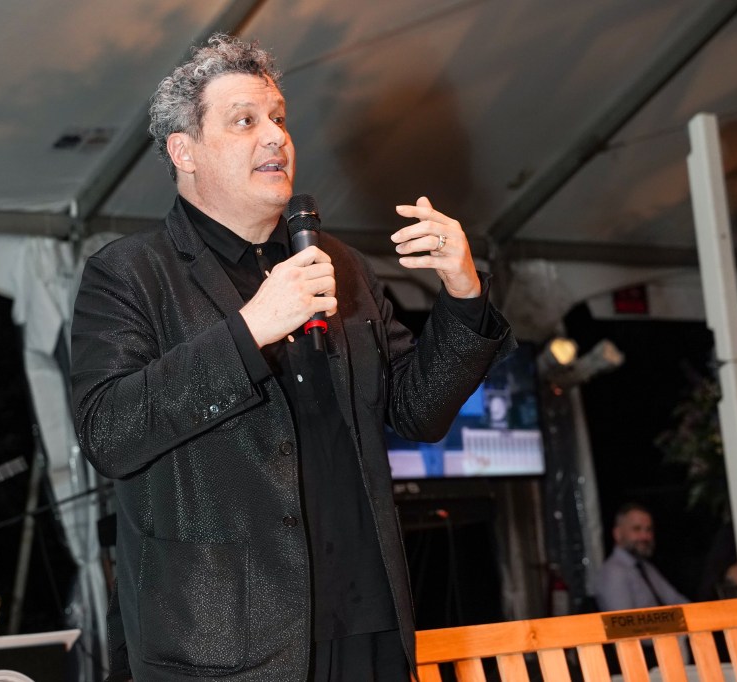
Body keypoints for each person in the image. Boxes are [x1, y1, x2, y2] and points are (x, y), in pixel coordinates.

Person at [71, 34, 514, 681]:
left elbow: (418, 413)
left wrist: (464, 295)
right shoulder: (130, 274)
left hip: (369, 621)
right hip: (227, 648)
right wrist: (249, 330)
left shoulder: (340, 265)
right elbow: (110, 432)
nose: (275, 137)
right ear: (183, 151)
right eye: (245, 121)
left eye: (278, 118)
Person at [595, 502, 689, 612]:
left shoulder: (645, 567)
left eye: (648, 530)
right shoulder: (613, 572)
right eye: (636, 529)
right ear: (618, 534)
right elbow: (624, 624)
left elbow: (676, 600)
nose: (645, 536)